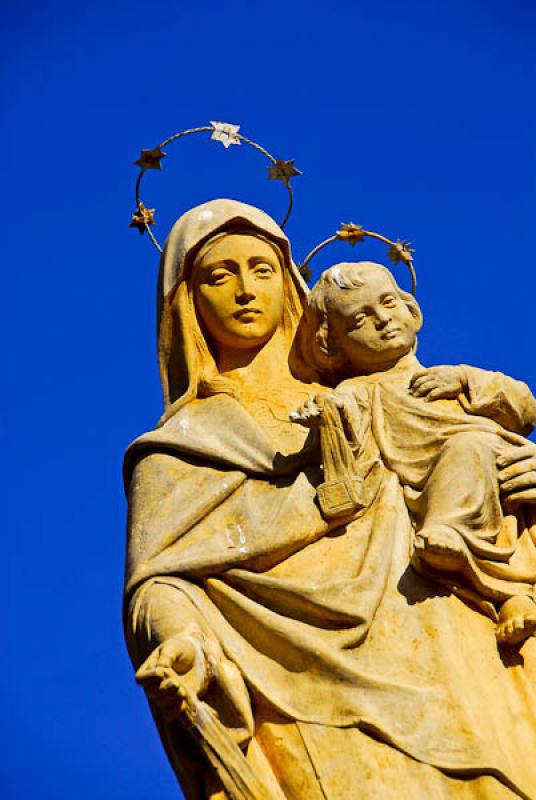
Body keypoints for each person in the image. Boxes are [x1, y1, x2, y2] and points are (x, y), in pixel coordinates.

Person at [124, 201, 536, 800]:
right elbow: (159, 581)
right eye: (219, 275)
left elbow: (465, 461)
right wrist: (183, 642)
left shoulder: (369, 394)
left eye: (262, 270)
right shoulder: (180, 448)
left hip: (455, 649)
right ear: (187, 301)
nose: (244, 291)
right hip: (298, 682)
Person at [294, 260, 536, 645]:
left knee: (473, 456)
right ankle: (511, 596)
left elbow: (523, 407)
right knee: (459, 491)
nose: (381, 320)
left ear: (412, 310)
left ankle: (514, 589)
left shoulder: (450, 376)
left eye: (388, 303)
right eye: (359, 321)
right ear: (334, 347)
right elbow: (346, 436)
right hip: (429, 485)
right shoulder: (356, 390)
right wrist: (322, 417)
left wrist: (464, 379)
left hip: (493, 462)